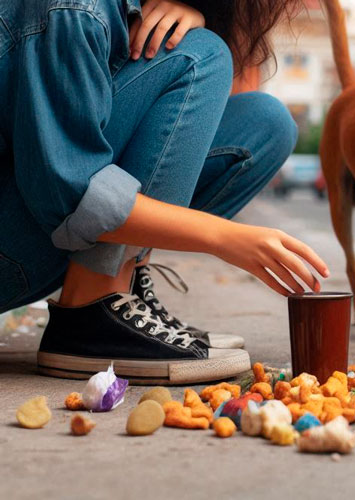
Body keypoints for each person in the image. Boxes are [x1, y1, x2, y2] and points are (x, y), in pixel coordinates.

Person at [0, 0, 328, 382]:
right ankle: (90, 309)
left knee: (265, 123)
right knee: (200, 55)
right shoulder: (74, 7)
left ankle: (121, 289)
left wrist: (185, 15)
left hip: (32, 231)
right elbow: (69, 195)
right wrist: (223, 237)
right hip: (20, 242)